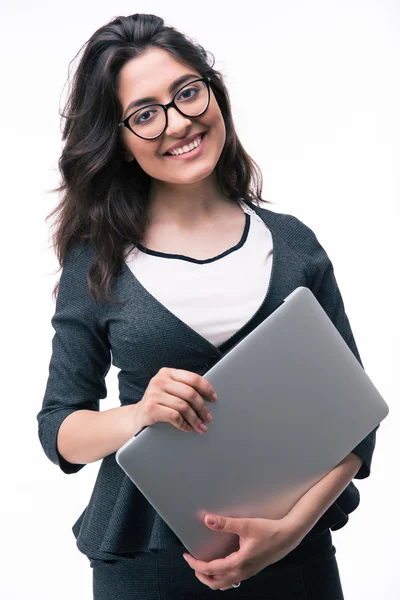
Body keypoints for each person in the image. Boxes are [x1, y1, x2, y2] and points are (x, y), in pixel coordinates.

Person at [37, 13, 378, 600]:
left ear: (213, 94)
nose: (179, 122)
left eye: (188, 92)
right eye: (145, 114)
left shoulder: (294, 244)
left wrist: (288, 533)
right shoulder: (96, 262)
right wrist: (139, 415)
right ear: (118, 142)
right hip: (143, 562)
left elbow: (353, 420)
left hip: (295, 559)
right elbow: (59, 429)